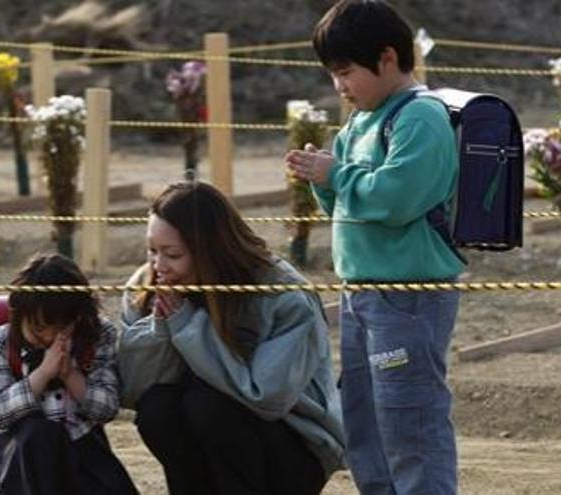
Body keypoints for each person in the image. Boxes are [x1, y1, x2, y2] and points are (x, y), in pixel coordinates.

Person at [285, 1, 465, 493]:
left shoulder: (419, 118)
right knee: (365, 422)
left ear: (387, 58)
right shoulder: (360, 122)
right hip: (362, 294)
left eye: (346, 72)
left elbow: (397, 199)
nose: (339, 86)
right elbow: (347, 207)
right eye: (332, 74)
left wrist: (335, 173)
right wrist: (323, 178)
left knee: (410, 420)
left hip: (410, 296)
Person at [117, 180, 345, 495]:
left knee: (207, 401)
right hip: (213, 444)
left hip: (294, 445)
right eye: (152, 250)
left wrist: (188, 327)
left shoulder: (281, 294)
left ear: (210, 250)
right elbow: (133, 390)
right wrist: (161, 328)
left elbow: (265, 397)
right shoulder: (148, 284)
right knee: (158, 407)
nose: (159, 265)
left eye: (171, 254)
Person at [0, 253, 138, 495]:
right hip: (27, 456)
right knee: (40, 434)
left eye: (63, 328)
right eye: (39, 328)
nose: (51, 338)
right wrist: (43, 373)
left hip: (82, 445)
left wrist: (70, 375)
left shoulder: (97, 334)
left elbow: (107, 409)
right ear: (19, 315)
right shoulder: (1, 340)